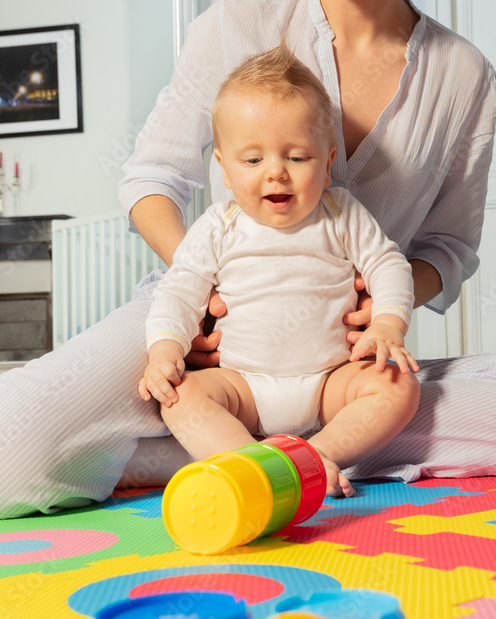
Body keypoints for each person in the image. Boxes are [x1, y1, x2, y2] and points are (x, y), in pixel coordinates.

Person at [0, 0, 496, 520]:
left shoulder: (463, 76)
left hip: (343, 364)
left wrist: (384, 313)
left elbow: (448, 247)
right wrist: (202, 293)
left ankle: (285, 454)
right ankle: (240, 454)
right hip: (201, 334)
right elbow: (151, 178)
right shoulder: (234, 26)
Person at [141, 44, 421, 497]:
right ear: (225, 171)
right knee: (181, 396)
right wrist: (165, 349)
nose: (276, 173)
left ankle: (321, 456)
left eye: (296, 157)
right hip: (243, 388)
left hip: (332, 381)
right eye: (252, 161)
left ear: (328, 162)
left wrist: (389, 323)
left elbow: (387, 263)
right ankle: (253, 467)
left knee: (398, 386)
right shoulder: (218, 225)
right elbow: (179, 291)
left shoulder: (340, 212)